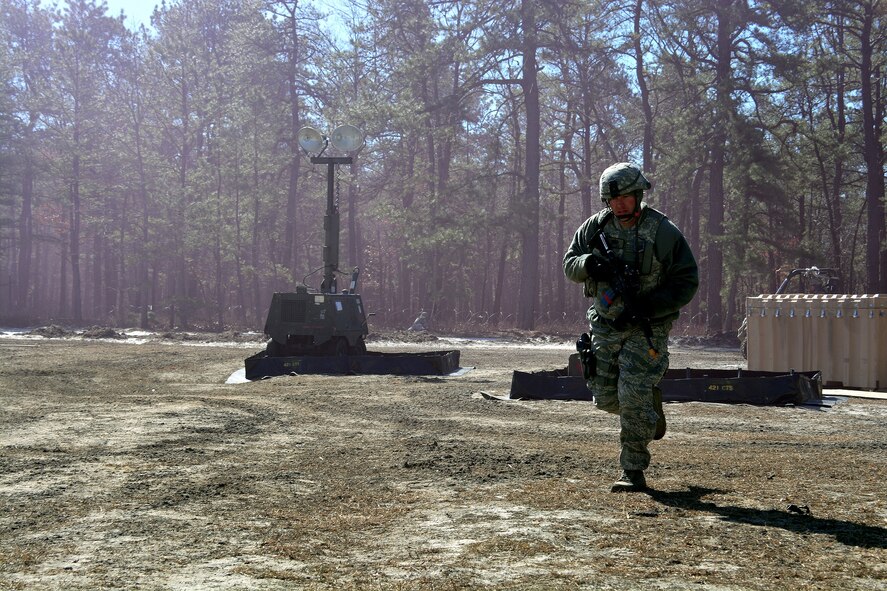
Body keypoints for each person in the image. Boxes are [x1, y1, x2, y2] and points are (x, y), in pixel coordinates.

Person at [563, 162, 698, 492]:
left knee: (632, 393)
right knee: (606, 397)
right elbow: (570, 264)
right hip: (605, 325)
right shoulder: (595, 228)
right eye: (613, 199)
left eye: (625, 197)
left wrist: (652, 307)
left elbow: (686, 280)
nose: (619, 204)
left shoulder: (662, 231)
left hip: (644, 327)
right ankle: (652, 411)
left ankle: (632, 469)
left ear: (638, 194)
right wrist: (588, 264)